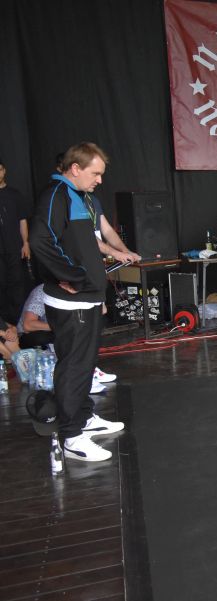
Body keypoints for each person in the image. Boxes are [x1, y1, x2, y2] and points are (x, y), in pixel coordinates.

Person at [29, 142, 124, 462]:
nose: (99, 180)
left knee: (85, 363)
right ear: (75, 168)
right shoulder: (56, 195)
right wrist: (71, 276)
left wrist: (93, 286)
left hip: (87, 297)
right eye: (95, 173)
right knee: (73, 365)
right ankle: (71, 436)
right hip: (71, 302)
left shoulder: (78, 196)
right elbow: (40, 241)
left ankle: (84, 417)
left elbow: (84, 244)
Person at [16, 283, 115, 392]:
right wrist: (63, 326)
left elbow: (103, 310)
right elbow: (28, 325)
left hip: (61, 329)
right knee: (66, 333)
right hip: (34, 334)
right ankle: (80, 378)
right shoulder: (43, 290)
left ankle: (88, 371)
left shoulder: (80, 288)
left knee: (92, 326)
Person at [0, 158, 30, 324]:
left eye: (0, 170)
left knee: (17, 283)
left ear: (4, 171)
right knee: (2, 283)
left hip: (14, 247)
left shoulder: (14, 194)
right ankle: (5, 324)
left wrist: (25, 243)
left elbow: (22, 220)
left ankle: (18, 322)